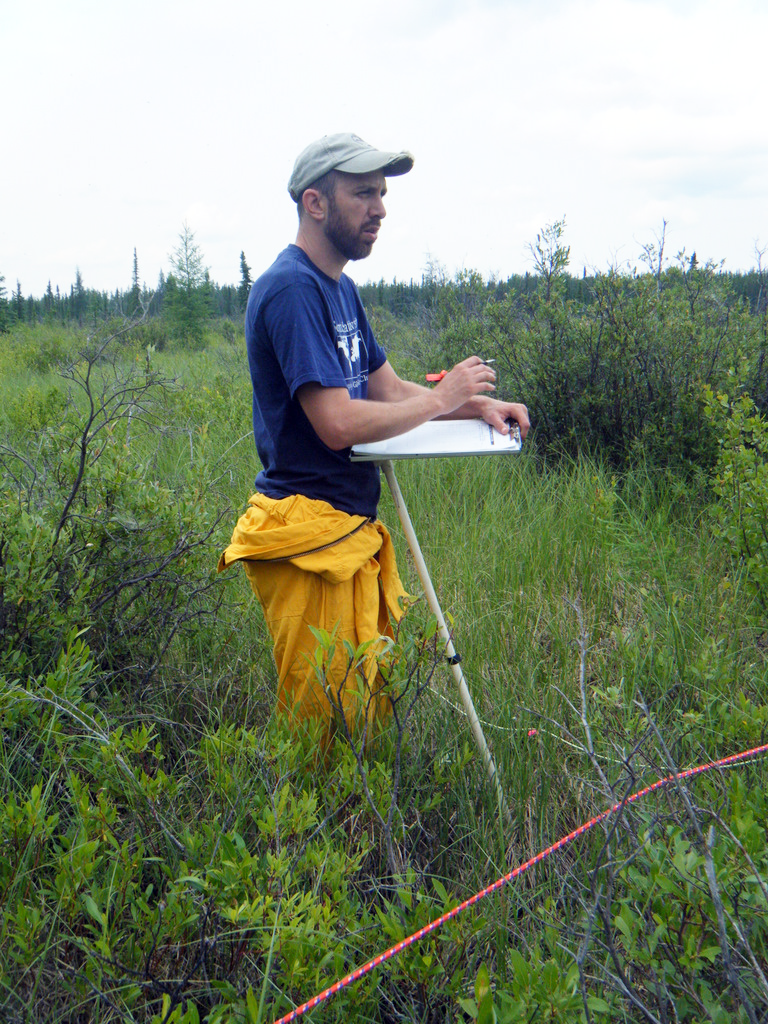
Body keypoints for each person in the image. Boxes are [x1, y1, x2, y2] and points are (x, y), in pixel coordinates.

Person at [218, 133, 530, 744]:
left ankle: (362, 834)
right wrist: (444, 397)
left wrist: (473, 406)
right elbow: (336, 422)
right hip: (308, 531)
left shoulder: (339, 289)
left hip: (347, 526)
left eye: (383, 194)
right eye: (363, 193)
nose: (380, 208)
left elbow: (385, 391)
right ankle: (315, 839)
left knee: (359, 717)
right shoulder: (291, 288)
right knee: (324, 729)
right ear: (314, 202)